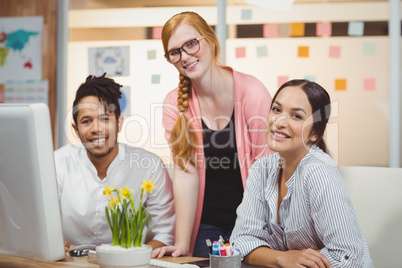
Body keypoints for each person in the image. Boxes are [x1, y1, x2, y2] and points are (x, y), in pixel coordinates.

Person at [152, 11, 272, 258]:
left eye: (191, 44)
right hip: (206, 227)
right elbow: (185, 174)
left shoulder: (252, 92)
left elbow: (266, 170)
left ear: (211, 41)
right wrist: (183, 245)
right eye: (175, 52)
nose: (185, 56)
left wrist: (249, 233)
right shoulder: (174, 103)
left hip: (253, 225)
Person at [230, 79, 374, 267]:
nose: (279, 122)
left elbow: (346, 257)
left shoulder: (319, 172)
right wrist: (283, 258)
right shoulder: (261, 169)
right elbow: (239, 242)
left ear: (314, 133)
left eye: (296, 116)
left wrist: (275, 256)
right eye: (276, 109)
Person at [55, 73, 175, 251]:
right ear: (76, 129)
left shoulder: (149, 166)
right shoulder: (58, 163)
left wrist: (134, 257)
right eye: (86, 121)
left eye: (105, 119)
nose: (96, 129)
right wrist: (54, 246)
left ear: (119, 123)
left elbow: (166, 233)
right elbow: (39, 224)